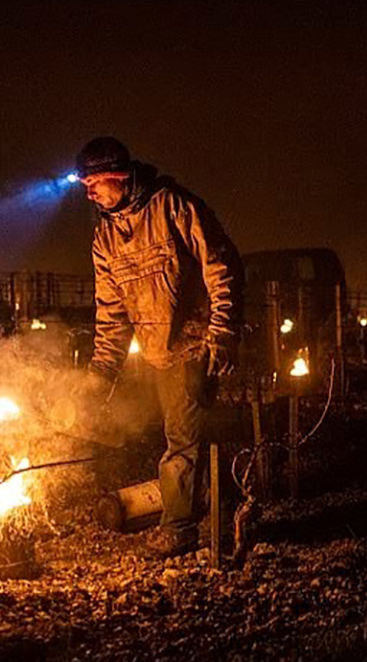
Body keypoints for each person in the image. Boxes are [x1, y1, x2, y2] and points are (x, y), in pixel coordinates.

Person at [76, 136, 245, 557]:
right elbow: (111, 311)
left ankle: (179, 530)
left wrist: (221, 333)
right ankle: (207, 500)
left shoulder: (174, 206)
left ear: (118, 176)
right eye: (85, 186)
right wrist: (100, 373)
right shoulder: (105, 238)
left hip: (191, 345)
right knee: (169, 440)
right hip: (152, 352)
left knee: (181, 442)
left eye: (94, 182)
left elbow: (221, 267)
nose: (89, 192)